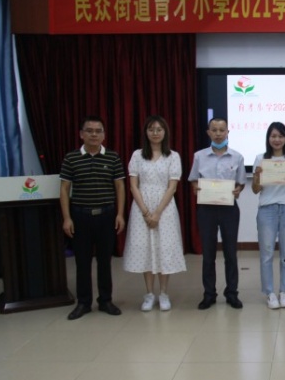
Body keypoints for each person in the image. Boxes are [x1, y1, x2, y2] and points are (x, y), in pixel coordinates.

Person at [60, 116, 125, 320]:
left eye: (98, 131)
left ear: (104, 135)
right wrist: (67, 218)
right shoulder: (71, 158)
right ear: (81, 134)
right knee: (82, 262)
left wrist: (120, 214)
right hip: (80, 216)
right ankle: (84, 302)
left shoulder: (112, 157)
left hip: (106, 215)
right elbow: (64, 189)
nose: (94, 134)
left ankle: (105, 300)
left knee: (105, 261)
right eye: (89, 131)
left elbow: (120, 187)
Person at [123, 115, 186, 312]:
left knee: (163, 249)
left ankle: (164, 293)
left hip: (165, 208)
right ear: (146, 133)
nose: (155, 133)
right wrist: (145, 211)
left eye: (159, 129)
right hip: (141, 206)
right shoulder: (137, 155)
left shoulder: (173, 156)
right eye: (151, 129)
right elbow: (133, 186)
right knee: (146, 249)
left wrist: (157, 213)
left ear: (165, 132)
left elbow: (172, 187)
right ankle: (149, 293)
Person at [188, 117, 247, 310]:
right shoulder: (199, 156)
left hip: (229, 209)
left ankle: (232, 293)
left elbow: (240, 183)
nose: (218, 133)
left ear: (228, 132)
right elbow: (193, 179)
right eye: (214, 130)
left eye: (222, 130)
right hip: (206, 209)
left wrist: (238, 190)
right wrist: (196, 187)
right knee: (208, 254)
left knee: (231, 253)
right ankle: (209, 294)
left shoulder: (237, 157)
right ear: (208, 133)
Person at [251, 122, 285, 309]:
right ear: (268, 138)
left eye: (280, 136)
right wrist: (257, 177)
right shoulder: (260, 159)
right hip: (267, 209)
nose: (277, 139)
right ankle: (270, 293)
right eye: (273, 136)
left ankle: (284, 291)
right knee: (266, 253)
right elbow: (255, 190)